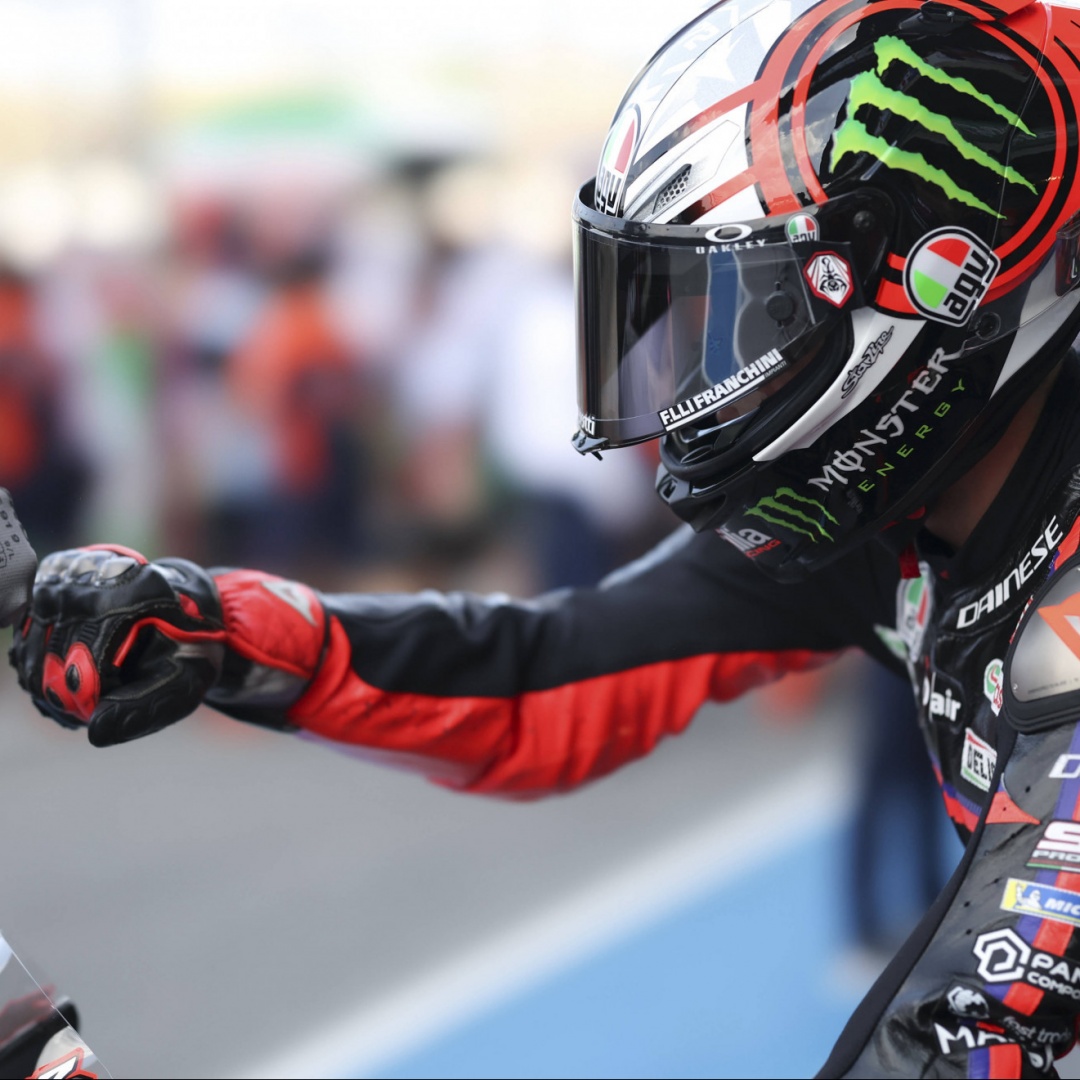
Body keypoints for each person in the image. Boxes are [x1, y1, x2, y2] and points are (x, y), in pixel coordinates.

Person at [10, 0, 1080, 1073]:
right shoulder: (892, 510)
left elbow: (962, 1040)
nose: (692, 382)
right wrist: (215, 629)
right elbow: (549, 679)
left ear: (947, 282)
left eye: (747, 317)